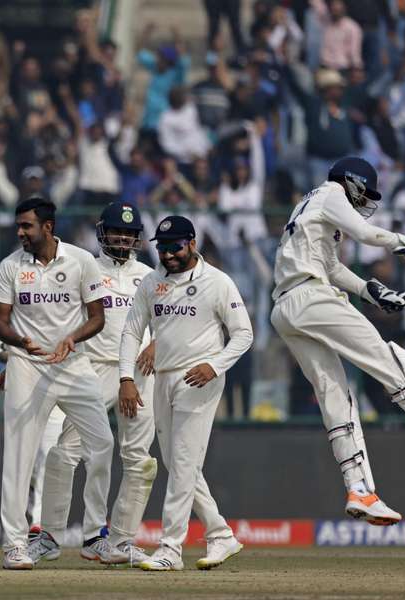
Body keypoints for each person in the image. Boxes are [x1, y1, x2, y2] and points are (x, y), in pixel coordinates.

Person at [270, 157, 405, 527]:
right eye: (367, 192)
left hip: (286, 307)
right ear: (353, 182)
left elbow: (331, 267)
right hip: (312, 298)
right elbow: (364, 233)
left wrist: (372, 292)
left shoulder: (309, 204)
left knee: (336, 396)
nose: (366, 200)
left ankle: (359, 489)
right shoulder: (330, 194)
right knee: (393, 361)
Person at [0, 195, 121, 569]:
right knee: (19, 454)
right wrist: (20, 343)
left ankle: (95, 535)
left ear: (47, 227)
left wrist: (72, 339)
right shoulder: (10, 267)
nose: (20, 232)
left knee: (102, 444)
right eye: (19, 226)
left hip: (74, 364)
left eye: (26, 226)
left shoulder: (80, 261)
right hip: (27, 366)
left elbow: (97, 317)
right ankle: (15, 544)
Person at [118, 215, 250, 572]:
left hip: (200, 379)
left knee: (182, 464)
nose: (169, 255)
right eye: (162, 248)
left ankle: (171, 548)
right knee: (181, 464)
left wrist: (215, 365)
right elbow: (132, 331)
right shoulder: (151, 281)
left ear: (192, 243)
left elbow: (243, 334)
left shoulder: (217, 282)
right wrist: (126, 377)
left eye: (175, 247)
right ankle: (220, 533)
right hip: (163, 378)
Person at [29, 203, 157, 567]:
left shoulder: (148, 275)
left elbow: (166, 320)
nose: (122, 238)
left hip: (140, 372)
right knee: (64, 452)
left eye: (129, 233)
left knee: (139, 461)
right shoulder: (85, 267)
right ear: (103, 232)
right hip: (93, 369)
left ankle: (117, 541)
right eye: (116, 231)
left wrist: (156, 343)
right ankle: (51, 535)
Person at [0, 325, 66, 534]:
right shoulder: (14, 314)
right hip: (22, 392)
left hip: (57, 388)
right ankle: (22, 523)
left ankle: (38, 523)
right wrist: (10, 359)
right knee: (25, 461)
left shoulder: (63, 306)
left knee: (49, 456)